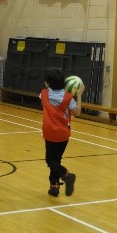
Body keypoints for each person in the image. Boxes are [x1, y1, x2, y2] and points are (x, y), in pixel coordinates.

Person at [40, 69, 84, 197]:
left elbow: (47, 91)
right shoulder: (68, 98)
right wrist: (79, 94)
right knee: (56, 160)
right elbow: (77, 112)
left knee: (50, 161)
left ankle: (67, 175)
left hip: (50, 132)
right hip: (64, 134)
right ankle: (54, 188)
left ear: (47, 83)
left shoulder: (43, 94)